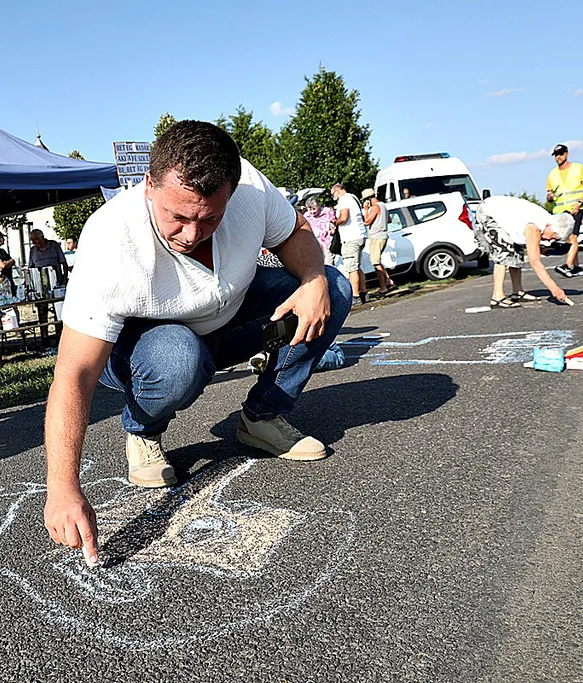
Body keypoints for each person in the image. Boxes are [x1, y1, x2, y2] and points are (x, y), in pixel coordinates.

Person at [42, 120, 352, 563]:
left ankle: (262, 417)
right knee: (178, 357)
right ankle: (143, 430)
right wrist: (63, 488)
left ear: (232, 190)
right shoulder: (111, 240)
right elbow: (74, 374)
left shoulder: (251, 190)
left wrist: (314, 277)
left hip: (228, 320)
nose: (191, 234)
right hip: (148, 349)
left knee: (334, 290)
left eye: (209, 218)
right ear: (149, 185)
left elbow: (295, 232)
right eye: (178, 216)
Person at [474, 195, 577, 308]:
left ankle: (517, 291)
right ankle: (497, 297)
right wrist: (554, 289)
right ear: (549, 226)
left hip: (504, 214)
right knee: (504, 252)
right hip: (488, 212)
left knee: (517, 250)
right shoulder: (534, 227)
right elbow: (535, 262)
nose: (551, 241)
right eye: (553, 236)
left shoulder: (549, 221)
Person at [546, 143, 583, 277]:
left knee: (572, 236)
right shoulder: (552, 174)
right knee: (568, 238)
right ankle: (576, 267)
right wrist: (550, 196)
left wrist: (580, 202)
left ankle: (568, 265)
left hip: (575, 208)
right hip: (559, 210)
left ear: (567, 154)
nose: (558, 157)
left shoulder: (578, 168)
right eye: (556, 155)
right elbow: (549, 195)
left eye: (561, 154)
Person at [331, 183, 367, 305]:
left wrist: (334, 223)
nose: (333, 197)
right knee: (357, 267)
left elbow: (344, 217)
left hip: (351, 237)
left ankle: (355, 297)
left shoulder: (344, 200)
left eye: (332, 195)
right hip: (360, 235)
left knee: (351, 268)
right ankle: (363, 292)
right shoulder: (353, 198)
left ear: (338, 191)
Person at [361, 188, 395, 296]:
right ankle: (389, 281)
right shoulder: (383, 205)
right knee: (377, 261)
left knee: (375, 262)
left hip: (377, 236)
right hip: (383, 235)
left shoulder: (375, 207)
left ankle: (383, 287)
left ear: (368, 199)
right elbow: (389, 220)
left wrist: (366, 210)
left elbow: (366, 222)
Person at [0, 231, 17, 296]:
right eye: (3, 238)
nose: (4, 240)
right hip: (1, 283)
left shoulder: (2, 251)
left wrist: (5, 263)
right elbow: (3, 265)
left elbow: (13, 261)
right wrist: (6, 263)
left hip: (9, 280)